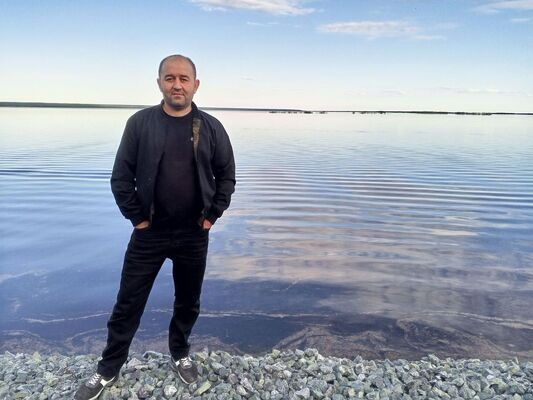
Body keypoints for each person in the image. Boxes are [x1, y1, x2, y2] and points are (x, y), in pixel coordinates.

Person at [75, 54, 236, 400]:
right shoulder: (140, 123)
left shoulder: (211, 127)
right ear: (159, 83)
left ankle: (180, 353)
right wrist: (137, 218)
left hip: (194, 233)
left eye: (183, 78)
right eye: (169, 78)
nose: (177, 85)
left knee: (188, 301)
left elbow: (227, 176)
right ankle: (108, 368)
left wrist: (212, 216)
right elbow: (121, 177)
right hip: (149, 233)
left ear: (195, 85)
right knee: (128, 302)